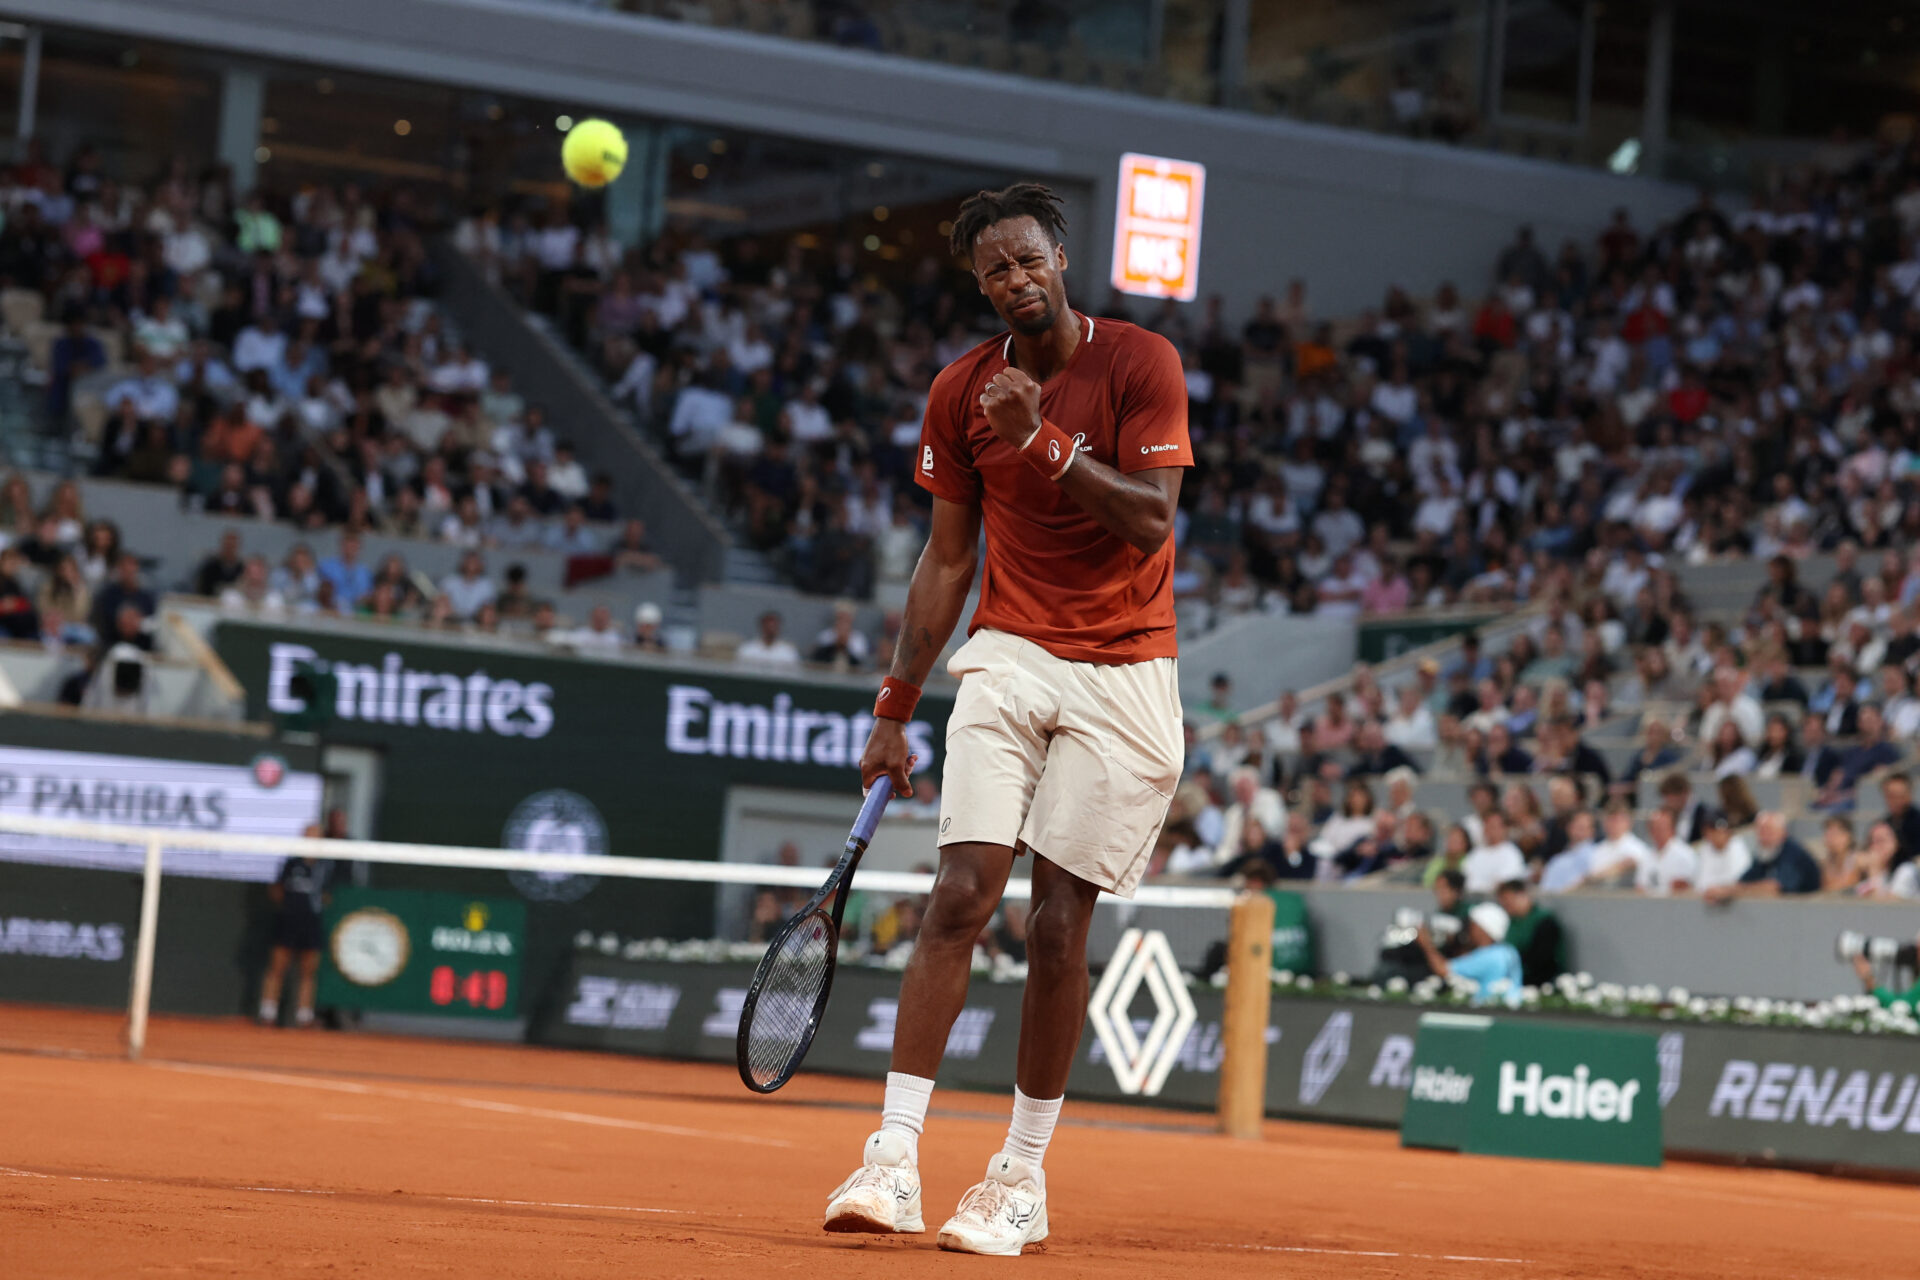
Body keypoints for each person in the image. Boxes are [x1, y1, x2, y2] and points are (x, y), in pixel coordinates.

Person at [831, 183, 1191, 1256]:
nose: (1014, 279)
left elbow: (1149, 523)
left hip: (1127, 671)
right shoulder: (959, 390)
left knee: (1056, 924)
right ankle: (892, 1157)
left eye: (1027, 257)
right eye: (993, 269)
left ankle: (1019, 1175)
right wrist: (895, 705)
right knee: (960, 891)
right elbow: (948, 558)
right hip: (1010, 652)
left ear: (1060, 257)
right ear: (978, 283)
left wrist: (1040, 442)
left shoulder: (1141, 364)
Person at [258, 845, 328, 1028]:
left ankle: (304, 1016)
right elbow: (276, 889)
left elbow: (328, 895)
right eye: (309, 836)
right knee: (277, 966)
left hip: (311, 923)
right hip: (288, 922)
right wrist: (289, 908)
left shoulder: (325, 866)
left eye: (316, 837)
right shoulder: (291, 863)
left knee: (309, 970)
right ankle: (267, 1013)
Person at [1414, 901, 1523, 1006]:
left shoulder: (1489, 957)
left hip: (1488, 1013)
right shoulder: (1509, 951)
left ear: (1482, 929)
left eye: (1473, 924)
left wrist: (1425, 943)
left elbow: (1443, 970)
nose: (1469, 928)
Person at [1706, 811, 1822, 901]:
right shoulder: (1765, 854)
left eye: (1769, 831)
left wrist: (1729, 892)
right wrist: (1722, 890)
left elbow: (1775, 888)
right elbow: (1745, 881)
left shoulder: (1794, 854)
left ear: (1783, 832)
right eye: (1760, 831)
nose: (1764, 837)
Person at [1495, 879, 1566, 987]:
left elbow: (1542, 960)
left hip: (1538, 981)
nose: (1505, 905)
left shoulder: (1544, 921)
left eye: (1507, 900)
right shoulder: (1508, 921)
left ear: (1522, 896)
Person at [1461, 809, 1527, 895]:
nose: (1490, 830)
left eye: (1494, 826)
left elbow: (1506, 883)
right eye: (1487, 826)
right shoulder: (1475, 854)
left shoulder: (1512, 854)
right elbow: (1465, 879)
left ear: (1504, 829)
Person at [1636, 808, 1697, 896]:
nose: (1657, 832)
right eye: (1654, 828)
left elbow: (1684, 889)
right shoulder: (1646, 855)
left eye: (1662, 827)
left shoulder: (1685, 855)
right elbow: (1640, 887)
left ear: (1672, 829)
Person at [1693, 813, 1753, 892]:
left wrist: (1719, 890)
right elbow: (1700, 883)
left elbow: (1737, 880)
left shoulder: (1737, 846)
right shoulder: (1705, 849)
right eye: (1710, 831)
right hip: (1709, 899)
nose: (1714, 835)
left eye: (1717, 831)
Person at [737, 609, 802, 669]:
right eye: (768, 626)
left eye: (774, 626)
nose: (771, 630)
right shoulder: (747, 649)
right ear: (761, 627)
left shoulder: (788, 652)